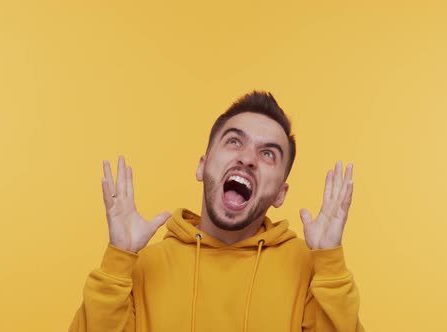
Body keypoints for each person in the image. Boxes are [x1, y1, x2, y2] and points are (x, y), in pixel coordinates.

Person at [69, 91, 364, 332]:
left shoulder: (309, 268)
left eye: (267, 154)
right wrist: (117, 262)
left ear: (280, 194)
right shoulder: (143, 267)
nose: (247, 158)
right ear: (202, 165)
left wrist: (330, 266)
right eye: (234, 141)